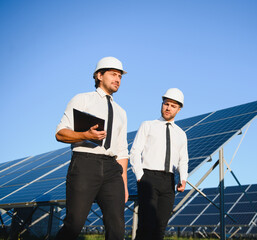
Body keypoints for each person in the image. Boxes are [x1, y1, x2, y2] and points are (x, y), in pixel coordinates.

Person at [54, 56, 129, 240]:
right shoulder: (82, 99)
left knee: (117, 227)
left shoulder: (121, 111)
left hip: (112, 169)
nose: (117, 79)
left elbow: (122, 150)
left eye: (120, 75)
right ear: (99, 75)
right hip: (85, 163)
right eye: (113, 74)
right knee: (75, 224)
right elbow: (60, 133)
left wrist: (124, 184)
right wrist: (85, 135)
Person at [130, 88, 189, 240]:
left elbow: (183, 159)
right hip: (148, 178)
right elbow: (135, 151)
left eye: (173, 106)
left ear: (179, 109)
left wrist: (183, 178)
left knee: (160, 227)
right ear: (162, 104)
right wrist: (140, 176)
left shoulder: (181, 134)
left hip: (169, 181)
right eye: (166, 104)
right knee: (146, 225)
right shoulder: (148, 125)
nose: (168, 108)